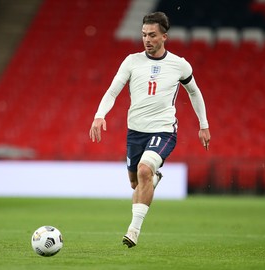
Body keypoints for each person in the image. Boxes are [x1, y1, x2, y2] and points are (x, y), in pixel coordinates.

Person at [89, 11, 210, 248]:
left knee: (144, 170)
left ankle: (133, 231)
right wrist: (99, 115)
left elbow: (195, 92)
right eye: (144, 34)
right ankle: (152, 180)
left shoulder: (179, 65)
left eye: (152, 35)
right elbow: (113, 90)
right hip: (135, 131)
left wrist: (203, 125)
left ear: (164, 37)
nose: (147, 39)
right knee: (136, 182)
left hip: (164, 130)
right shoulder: (132, 61)